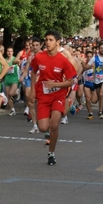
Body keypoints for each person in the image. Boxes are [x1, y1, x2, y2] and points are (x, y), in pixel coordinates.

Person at [30, 30, 77, 166]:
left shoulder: (63, 60)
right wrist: (33, 89)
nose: (48, 42)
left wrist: (57, 84)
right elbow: (33, 72)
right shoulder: (39, 57)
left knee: (54, 124)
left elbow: (71, 81)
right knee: (44, 128)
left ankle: (51, 153)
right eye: (46, 40)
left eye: (51, 40)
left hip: (58, 95)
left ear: (57, 42)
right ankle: (49, 132)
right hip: (43, 96)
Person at [4, 46, 19, 116]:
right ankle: (12, 109)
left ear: (13, 52)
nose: (9, 53)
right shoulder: (4, 60)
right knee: (8, 96)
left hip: (14, 79)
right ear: (6, 52)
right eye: (8, 51)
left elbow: (20, 64)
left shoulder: (15, 59)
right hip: (7, 79)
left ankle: (17, 93)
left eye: (11, 51)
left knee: (10, 93)